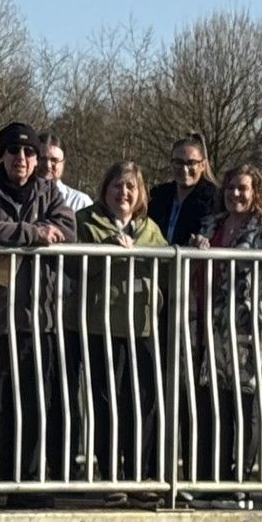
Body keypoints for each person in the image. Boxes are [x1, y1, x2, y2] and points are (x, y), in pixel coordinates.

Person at [0, 121, 78, 491]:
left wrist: (29, 233)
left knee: (31, 404)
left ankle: (27, 484)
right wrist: (33, 234)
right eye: (14, 151)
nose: (22, 159)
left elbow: (68, 232)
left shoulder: (50, 192)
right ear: (2, 155)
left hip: (35, 318)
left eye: (29, 153)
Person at [187, 164, 262, 503]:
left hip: (248, 334)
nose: (235, 194)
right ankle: (207, 480)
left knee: (245, 408)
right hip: (211, 330)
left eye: (243, 188)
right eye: (231, 187)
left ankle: (239, 484)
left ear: (256, 192)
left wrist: (260, 311)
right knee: (211, 406)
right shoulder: (210, 226)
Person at [72, 161, 168, 493]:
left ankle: (140, 476)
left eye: (130, 187)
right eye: (117, 186)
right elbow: (72, 268)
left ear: (140, 193)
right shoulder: (86, 222)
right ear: (105, 189)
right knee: (105, 401)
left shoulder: (150, 229)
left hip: (141, 327)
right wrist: (105, 252)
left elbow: (166, 271)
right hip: (101, 327)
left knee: (141, 402)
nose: (123, 193)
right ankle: (111, 477)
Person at [147, 135, 219, 249]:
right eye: (178, 162)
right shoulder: (159, 196)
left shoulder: (213, 199)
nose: (185, 169)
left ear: (203, 165)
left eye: (191, 163)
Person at [39, 134, 93, 214]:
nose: (48, 166)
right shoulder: (19, 199)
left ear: (63, 163)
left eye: (54, 160)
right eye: (42, 159)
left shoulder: (80, 202)